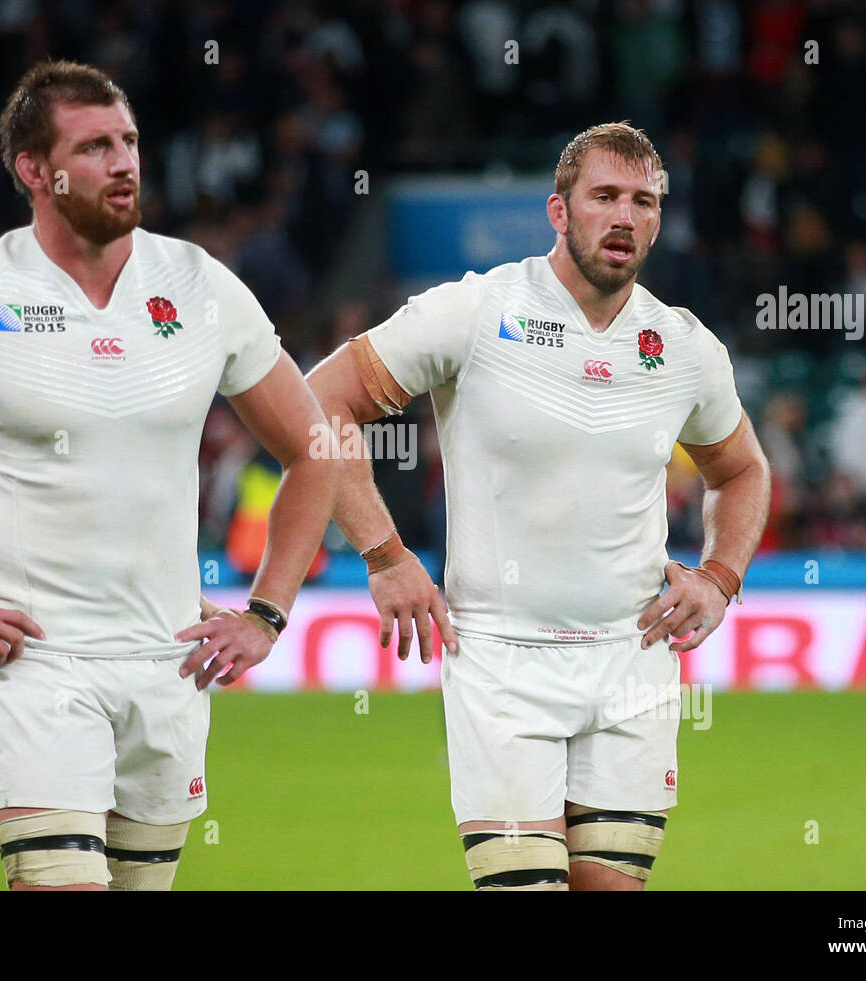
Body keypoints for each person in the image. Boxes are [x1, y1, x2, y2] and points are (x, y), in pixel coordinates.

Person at [0, 60, 339, 891]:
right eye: (95, 147)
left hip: (170, 665)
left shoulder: (198, 284)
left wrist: (267, 611)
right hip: (37, 668)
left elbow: (316, 447)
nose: (124, 163)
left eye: (130, 142)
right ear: (34, 172)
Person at [307, 122, 770, 891]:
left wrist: (719, 576)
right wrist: (384, 555)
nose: (625, 216)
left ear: (659, 219)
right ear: (559, 211)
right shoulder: (477, 310)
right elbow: (320, 402)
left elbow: (744, 468)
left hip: (634, 659)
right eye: (605, 197)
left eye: (644, 201)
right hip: (501, 659)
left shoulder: (683, 345)